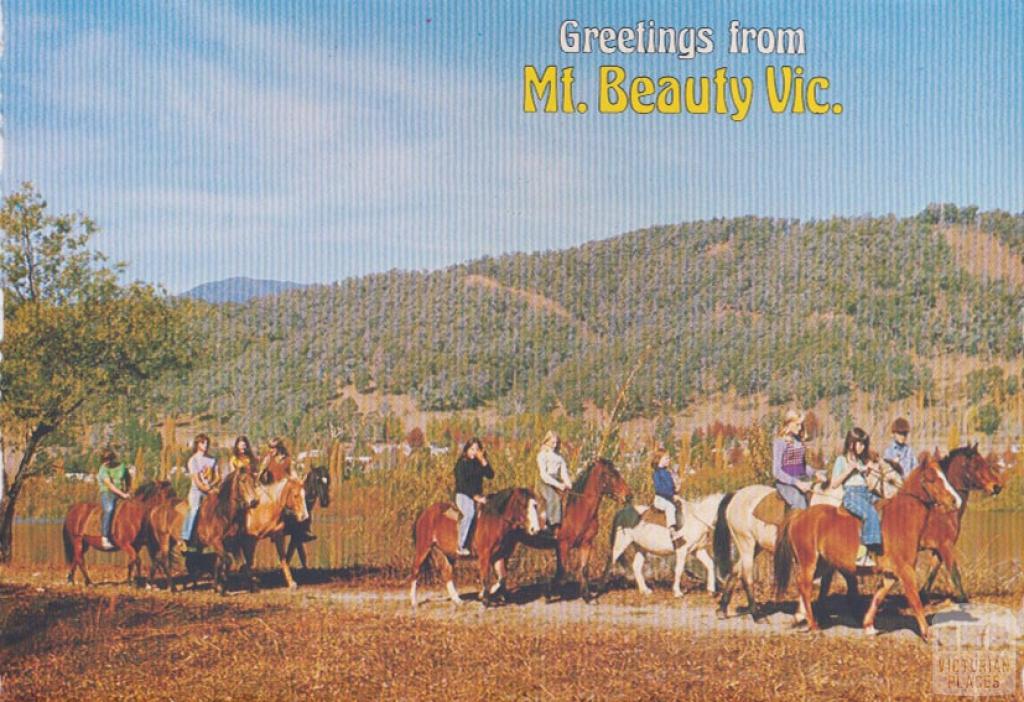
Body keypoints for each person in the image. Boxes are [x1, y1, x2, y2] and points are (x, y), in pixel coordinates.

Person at [830, 427, 882, 567]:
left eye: (864, 444)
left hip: (866, 492)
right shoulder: (841, 460)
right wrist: (849, 469)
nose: (862, 447)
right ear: (851, 443)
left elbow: (870, 486)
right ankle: (862, 554)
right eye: (859, 443)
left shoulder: (861, 462)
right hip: (851, 494)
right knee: (869, 513)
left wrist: (871, 472)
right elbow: (834, 483)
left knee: (885, 507)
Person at [772, 410, 823, 509]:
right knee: (800, 504)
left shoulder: (798, 441)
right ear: (789, 423)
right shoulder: (780, 442)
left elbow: (800, 466)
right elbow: (776, 471)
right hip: (786, 483)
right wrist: (796, 483)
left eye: (801, 425)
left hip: (802, 479)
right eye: (797, 424)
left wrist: (815, 473)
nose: (800, 428)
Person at [453, 437, 493, 556]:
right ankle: (460, 545)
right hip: (463, 495)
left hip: (478, 495)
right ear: (466, 450)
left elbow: (490, 475)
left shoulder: (478, 463)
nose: (474, 452)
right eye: (471, 449)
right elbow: (462, 484)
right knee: (469, 513)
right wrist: (475, 497)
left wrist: (483, 461)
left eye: (476, 449)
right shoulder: (461, 463)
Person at [180, 434, 218, 552]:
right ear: (197, 444)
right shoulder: (193, 460)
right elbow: (196, 480)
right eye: (202, 443)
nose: (205, 445)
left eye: (206, 443)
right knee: (195, 509)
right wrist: (207, 489)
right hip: (197, 491)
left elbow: (218, 476)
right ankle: (185, 536)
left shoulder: (212, 460)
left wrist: (212, 486)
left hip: (210, 488)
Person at [537, 431, 571, 534]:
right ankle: (551, 525)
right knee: (554, 498)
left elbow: (564, 473)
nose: (554, 445)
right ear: (546, 441)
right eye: (552, 442)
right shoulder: (542, 455)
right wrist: (558, 485)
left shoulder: (559, 457)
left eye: (556, 443)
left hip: (557, 480)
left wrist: (568, 484)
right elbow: (544, 474)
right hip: (545, 482)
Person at [97, 448, 131, 550]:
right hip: (108, 493)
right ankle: (105, 537)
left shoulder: (122, 467)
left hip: (122, 492)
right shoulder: (102, 470)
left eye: (108, 459)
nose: (106, 462)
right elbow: (110, 486)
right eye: (104, 460)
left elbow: (128, 478)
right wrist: (123, 495)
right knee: (109, 509)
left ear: (112, 459)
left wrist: (128, 490)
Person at [651, 451, 682, 539]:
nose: (669, 460)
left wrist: (676, 489)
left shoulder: (667, 473)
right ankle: (672, 530)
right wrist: (672, 495)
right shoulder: (656, 473)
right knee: (670, 507)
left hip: (669, 498)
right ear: (659, 460)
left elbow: (671, 487)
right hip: (660, 499)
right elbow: (659, 489)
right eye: (666, 458)